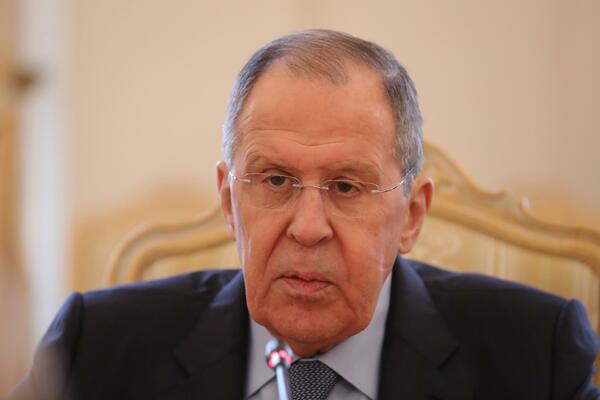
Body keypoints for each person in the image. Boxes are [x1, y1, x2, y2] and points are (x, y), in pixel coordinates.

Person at [10, 29, 599, 400]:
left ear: (412, 216)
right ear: (229, 202)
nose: (309, 227)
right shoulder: (98, 346)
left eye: (346, 186)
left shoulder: (533, 355)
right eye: (274, 180)